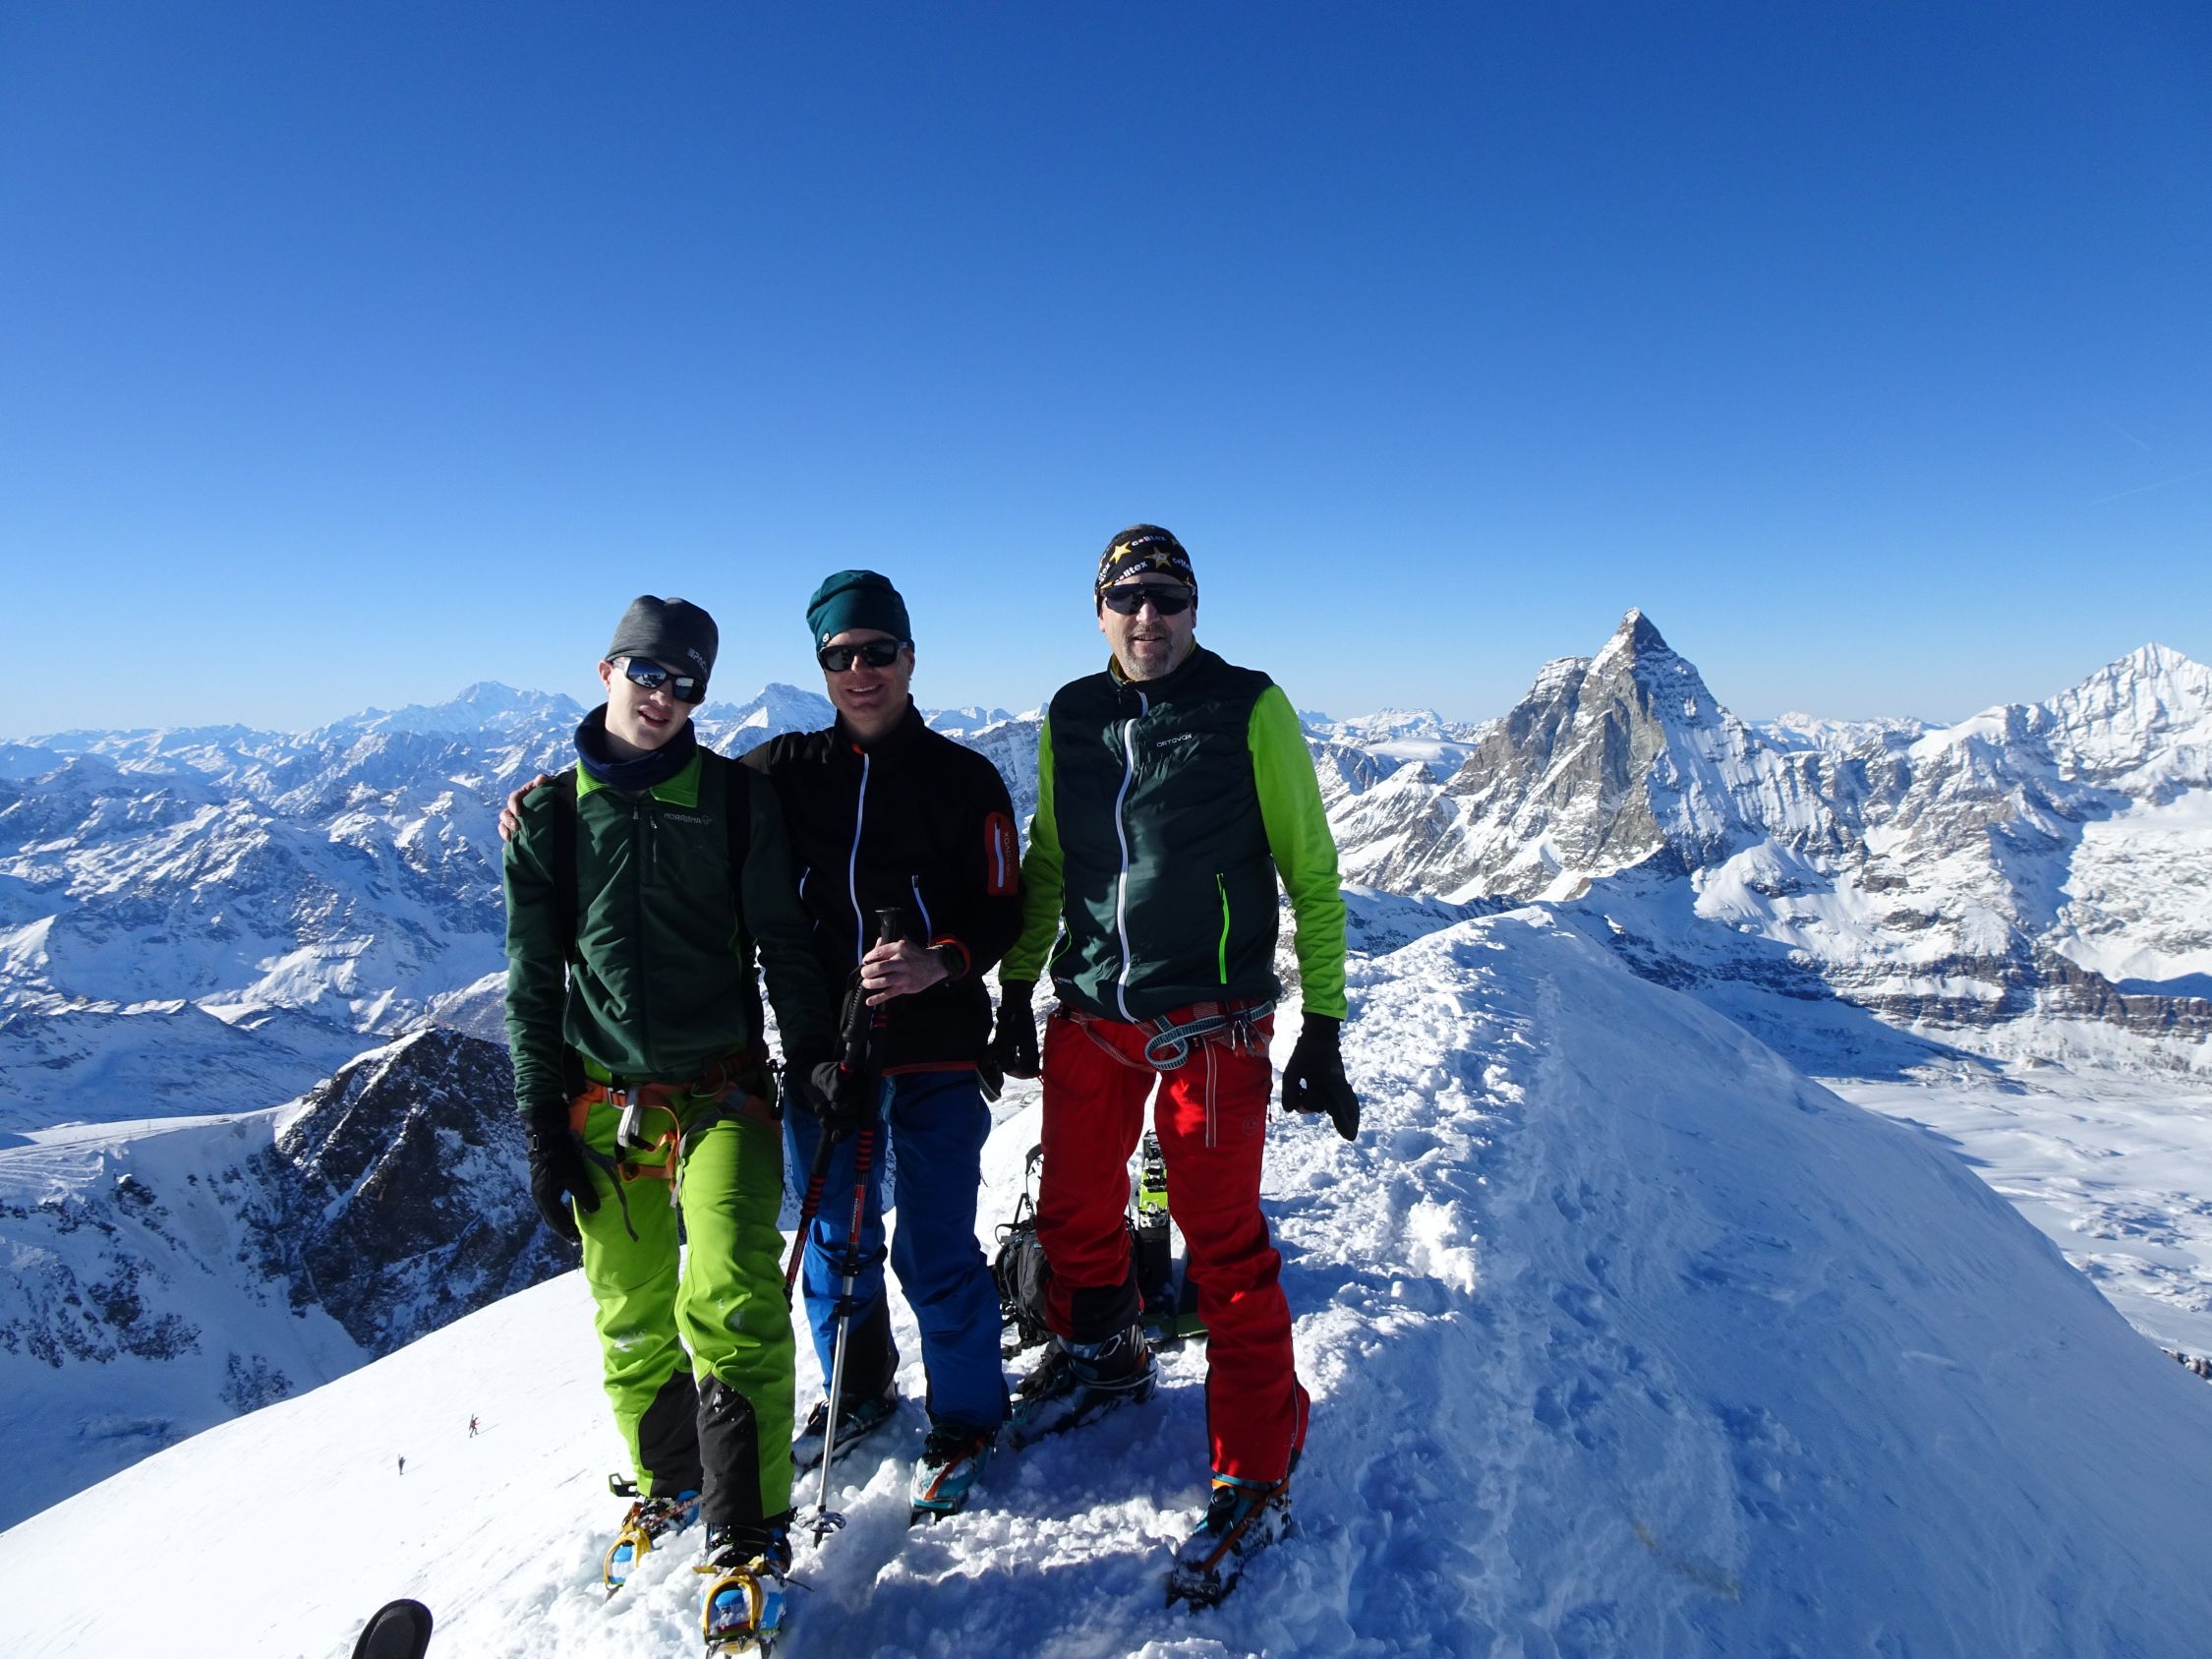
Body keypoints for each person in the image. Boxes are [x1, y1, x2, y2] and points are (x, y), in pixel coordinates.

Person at [985, 524, 1360, 1597]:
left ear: (1196, 608)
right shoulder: (1070, 713)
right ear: (1098, 609)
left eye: (1169, 596)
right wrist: (1014, 986)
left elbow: (1310, 868)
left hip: (1214, 1023)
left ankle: (1255, 1466)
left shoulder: (1249, 706)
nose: (1148, 616)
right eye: (1128, 597)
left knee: (1224, 1246)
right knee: (1074, 1211)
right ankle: (1104, 1354)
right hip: (1092, 1011)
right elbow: (1052, 859)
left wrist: (1323, 1024)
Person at [502, 595, 835, 1649]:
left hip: (722, 1093)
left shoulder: (735, 800)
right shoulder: (550, 819)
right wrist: (540, 1122)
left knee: (731, 1291)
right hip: (603, 1103)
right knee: (630, 1311)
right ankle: (672, 1479)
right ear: (607, 670)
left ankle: (747, 1530)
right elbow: (531, 982)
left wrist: (812, 1051)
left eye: (686, 684)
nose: (664, 697)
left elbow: (781, 939)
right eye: (648, 673)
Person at [744, 569, 1023, 1519]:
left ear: (909, 658)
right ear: (822, 667)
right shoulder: (782, 771)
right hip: (832, 1056)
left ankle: (968, 1416)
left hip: (937, 1047)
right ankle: (859, 1386)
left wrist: (941, 961)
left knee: (935, 1244)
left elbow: (1004, 907)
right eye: (841, 656)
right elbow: (670, 789)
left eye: (877, 652)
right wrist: (561, 794)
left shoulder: (965, 780)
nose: (860, 671)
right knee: (834, 1236)